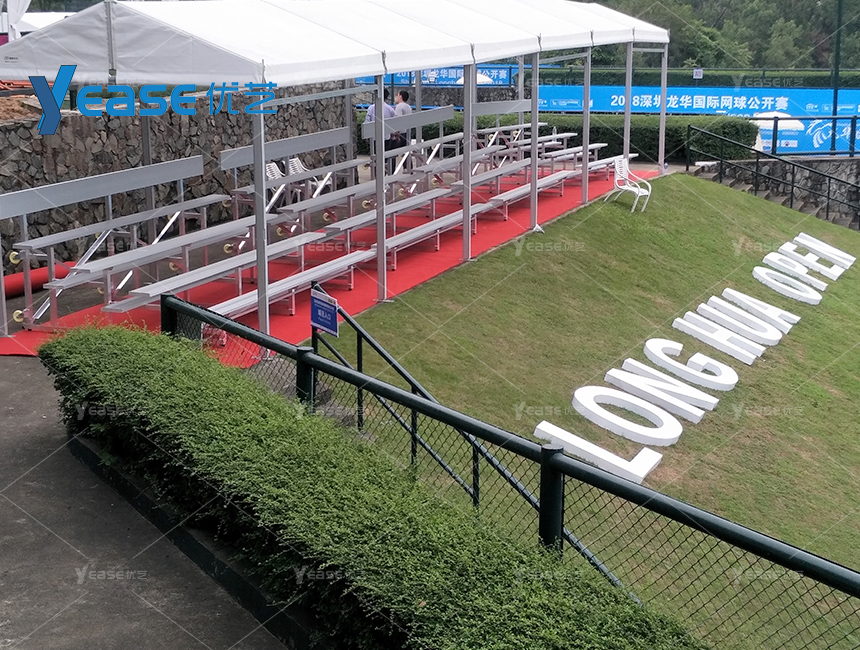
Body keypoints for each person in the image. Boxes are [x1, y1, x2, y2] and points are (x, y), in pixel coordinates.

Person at [364, 89, 396, 173]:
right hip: (386, 137)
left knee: (376, 157)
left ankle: (377, 174)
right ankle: (387, 173)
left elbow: (367, 122)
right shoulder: (390, 109)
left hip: (375, 138)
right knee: (386, 156)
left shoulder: (371, 108)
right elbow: (395, 123)